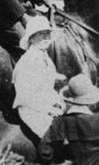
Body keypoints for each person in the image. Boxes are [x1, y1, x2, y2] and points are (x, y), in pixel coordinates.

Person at [11, 16, 66, 145]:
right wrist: (49, 109)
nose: (46, 38)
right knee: (57, 139)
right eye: (41, 34)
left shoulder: (43, 55)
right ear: (32, 38)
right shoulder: (28, 61)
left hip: (46, 103)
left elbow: (44, 80)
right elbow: (25, 97)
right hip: (31, 110)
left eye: (47, 34)